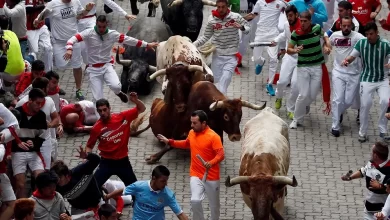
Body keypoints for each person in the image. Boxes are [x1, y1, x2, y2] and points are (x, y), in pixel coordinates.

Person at [65, 15, 158, 103]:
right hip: (93, 69)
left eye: (103, 27)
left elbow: (129, 40)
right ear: (96, 24)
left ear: (107, 24)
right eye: (99, 26)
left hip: (107, 66)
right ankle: (101, 116)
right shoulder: (88, 33)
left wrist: (147, 44)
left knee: (117, 87)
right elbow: (72, 39)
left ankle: (119, 93)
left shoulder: (112, 34)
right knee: (98, 98)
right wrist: (69, 49)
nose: (101, 29)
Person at [157, 110, 225, 220]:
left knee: (214, 206)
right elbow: (186, 143)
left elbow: (221, 154)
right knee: (195, 200)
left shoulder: (214, 137)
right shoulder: (192, 133)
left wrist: (211, 163)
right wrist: (170, 141)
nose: (191, 125)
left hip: (211, 177)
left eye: (194, 123)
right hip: (196, 174)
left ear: (203, 123)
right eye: (191, 122)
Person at [33, 0, 96, 101]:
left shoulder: (75, 2)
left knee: (77, 65)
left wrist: (87, 10)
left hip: (74, 39)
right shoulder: (53, 4)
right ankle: (53, 83)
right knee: (61, 65)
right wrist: (37, 20)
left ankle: (78, 89)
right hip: (59, 42)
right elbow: (42, 16)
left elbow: (79, 16)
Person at [342, 22, 390, 142]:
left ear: (377, 33)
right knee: (366, 104)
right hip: (367, 78)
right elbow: (352, 56)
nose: (369, 36)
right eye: (367, 34)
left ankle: (383, 130)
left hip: (382, 78)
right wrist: (347, 61)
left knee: (385, 101)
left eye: (371, 34)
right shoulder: (361, 43)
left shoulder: (385, 44)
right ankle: (362, 132)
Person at [85, 93, 145, 187]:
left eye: (105, 110)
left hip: (123, 162)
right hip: (106, 162)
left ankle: (137, 202)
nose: (103, 113)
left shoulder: (123, 117)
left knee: (134, 189)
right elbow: (89, 146)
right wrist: (86, 158)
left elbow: (142, 109)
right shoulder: (96, 128)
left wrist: (136, 101)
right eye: (100, 111)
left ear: (109, 108)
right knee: (93, 187)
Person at [193, 0, 250, 95]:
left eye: (223, 7)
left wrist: (241, 27)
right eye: (218, 7)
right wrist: (192, 45)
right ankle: (220, 103)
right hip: (217, 56)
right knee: (216, 82)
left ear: (227, 6)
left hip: (231, 57)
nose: (220, 9)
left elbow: (248, 28)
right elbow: (205, 36)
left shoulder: (236, 17)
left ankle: (220, 102)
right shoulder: (211, 20)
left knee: (225, 81)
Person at [288, 11, 331, 129]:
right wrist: (295, 50)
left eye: (305, 21)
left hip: (317, 66)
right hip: (303, 67)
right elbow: (288, 49)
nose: (302, 23)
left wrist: (327, 44)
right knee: (303, 94)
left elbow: (325, 35)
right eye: (301, 21)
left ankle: (304, 105)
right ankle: (296, 119)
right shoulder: (296, 33)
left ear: (310, 21)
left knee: (311, 95)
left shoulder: (316, 28)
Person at [104, 165, 189, 220]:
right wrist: (108, 196)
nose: (165, 184)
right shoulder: (139, 186)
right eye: (163, 181)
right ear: (154, 178)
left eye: (166, 181)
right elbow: (123, 191)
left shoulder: (168, 195)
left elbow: (180, 214)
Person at [329, 16, 364, 137]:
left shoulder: (358, 37)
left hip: (354, 74)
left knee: (348, 101)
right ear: (340, 25)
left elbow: (369, 43)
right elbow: (327, 41)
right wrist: (326, 47)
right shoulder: (335, 36)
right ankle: (335, 126)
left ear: (352, 26)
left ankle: (338, 111)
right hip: (338, 72)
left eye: (348, 26)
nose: (346, 28)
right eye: (344, 25)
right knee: (338, 99)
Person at [16, 77, 61, 170]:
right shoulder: (22, 103)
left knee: (46, 166)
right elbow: (15, 123)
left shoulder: (49, 101)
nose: (49, 89)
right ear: (43, 89)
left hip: (45, 138)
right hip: (27, 139)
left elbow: (56, 118)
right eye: (48, 87)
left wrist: (50, 125)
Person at [243, 0, 286, 96]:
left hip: (273, 35)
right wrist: (239, 19)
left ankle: (269, 84)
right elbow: (252, 15)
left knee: (274, 60)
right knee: (257, 59)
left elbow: (291, 11)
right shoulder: (260, 2)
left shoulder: (281, 3)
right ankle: (261, 62)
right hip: (260, 34)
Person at [12, 88, 47, 198]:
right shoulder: (16, 113)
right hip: (17, 152)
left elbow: (42, 136)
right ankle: (22, 210)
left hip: (34, 152)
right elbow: (9, 134)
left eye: (42, 103)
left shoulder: (41, 116)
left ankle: (38, 205)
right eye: (37, 103)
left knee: (41, 179)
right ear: (30, 100)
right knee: (21, 184)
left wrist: (35, 143)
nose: (39, 106)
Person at [77, 0, 135, 66]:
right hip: (77, 21)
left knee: (97, 41)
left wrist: (125, 14)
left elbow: (109, 2)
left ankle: (107, 61)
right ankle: (89, 64)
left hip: (91, 20)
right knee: (83, 49)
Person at [341, 142, 390, 220]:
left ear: (375, 155)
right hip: (369, 209)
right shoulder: (371, 163)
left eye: (372, 152)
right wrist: (350, 178)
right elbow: (363, 171)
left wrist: (380, 186)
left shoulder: (388, 170)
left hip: (382, 213)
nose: (370, 154)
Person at [50, 148, 103, 217]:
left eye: (60, 178)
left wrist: (87, 156)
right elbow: (59, 204)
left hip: (97, 203)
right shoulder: (57, 188)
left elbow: (97, 160)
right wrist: (67, 216)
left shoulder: (81, 170)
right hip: (79, 210)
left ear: (67, 175)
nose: (57, 181)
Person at [273, 5, 300, 119]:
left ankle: (291, 108)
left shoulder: (304, 26)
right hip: (289, 57)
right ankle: (278, 96)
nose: (289, 18)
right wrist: (275, 40)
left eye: (290, 16)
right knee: (282, 82)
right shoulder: (286, 25)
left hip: (301, 60)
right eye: (287, 16)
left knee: (295, 85)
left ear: (296, 15)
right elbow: (284, 35)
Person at [25, 0, 53, 72]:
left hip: (41, 25)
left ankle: (48, 72)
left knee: (48, 48)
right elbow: (28, 9)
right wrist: (44, 5)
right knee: (35, 52)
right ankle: (35, 73)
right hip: (30, 28)